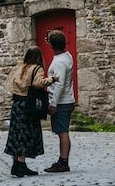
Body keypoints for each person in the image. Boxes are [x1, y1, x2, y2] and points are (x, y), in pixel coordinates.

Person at [4, 46, 57, 178]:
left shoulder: (21, 68)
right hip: (28, 105)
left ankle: (16, 164)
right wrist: (52, 79)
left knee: (17, 133)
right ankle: (21, 165)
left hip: (17, 104)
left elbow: (14, 84)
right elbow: (38, 83)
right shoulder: (37, 68)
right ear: (38, 57)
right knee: (26, 134)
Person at [44, 30, 75, 173]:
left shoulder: (61, 61)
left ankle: (63, 162)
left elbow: (60, 84)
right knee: (62, 131)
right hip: (65, 100)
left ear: (52, 44)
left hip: (62, 102)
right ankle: (63, 160)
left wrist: (53, 104)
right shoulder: (66, 56)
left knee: (62, 132)